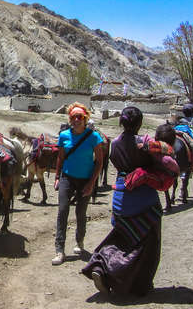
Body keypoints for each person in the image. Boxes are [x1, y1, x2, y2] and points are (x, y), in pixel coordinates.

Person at [81, 106, 162, 297]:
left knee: (119, 238)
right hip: (144, 199)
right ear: (140, 123)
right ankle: (138, 285)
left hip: (120, 198)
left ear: (121, 122)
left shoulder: (115, 143)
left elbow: (117, 164)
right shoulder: (145, 143)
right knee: (147, 245)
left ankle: (100, 268)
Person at [52, 102, 104, 265]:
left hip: (85, 180)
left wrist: (92, 183)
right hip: (67, 178)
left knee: (80, 213)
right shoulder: (64, 135)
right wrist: (57, 177)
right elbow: (60, 157)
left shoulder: (94, 137)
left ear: (85, 118)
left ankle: (80, 242)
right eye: (73, 117)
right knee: (62, 211)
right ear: (70, 119)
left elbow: (100, 162)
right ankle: (59, 250)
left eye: (79, 117)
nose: (76, 120)